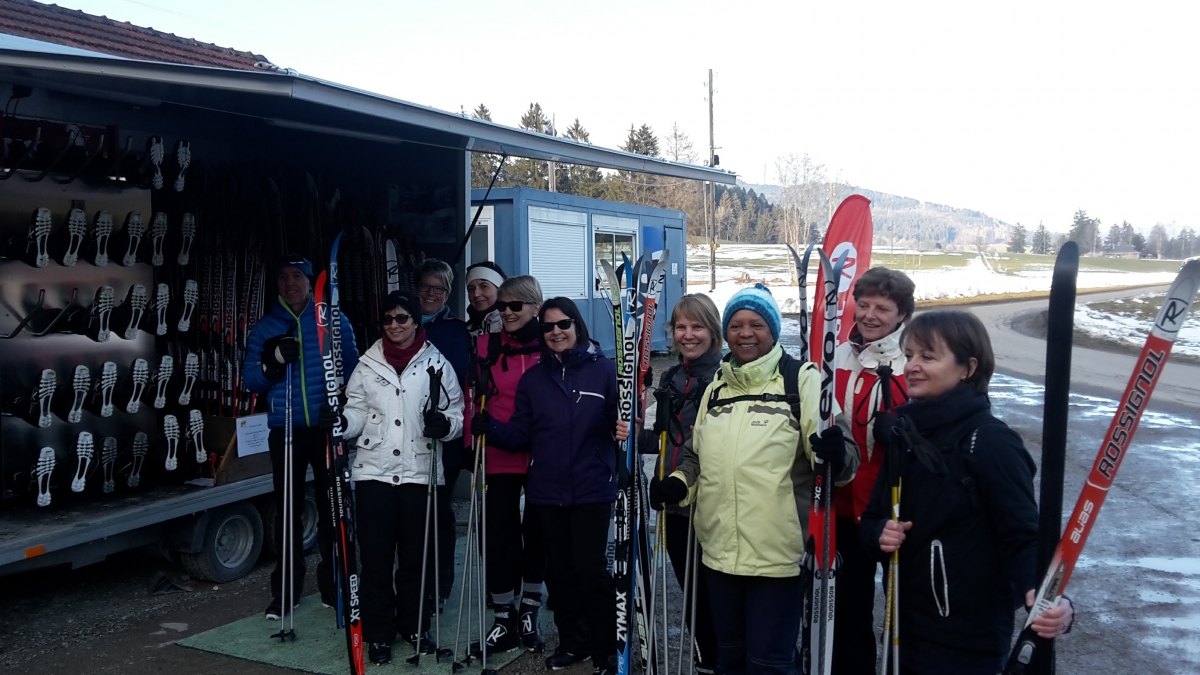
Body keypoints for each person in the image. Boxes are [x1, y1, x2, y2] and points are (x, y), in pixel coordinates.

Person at [650, 284, 858, 675]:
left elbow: (843, 461)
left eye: (756, 324)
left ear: (773, 330)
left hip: (776, 558)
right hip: (719, 553)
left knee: (768, 663)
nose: (745, 333)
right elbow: (696, 456)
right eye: (737, 325)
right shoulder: (717, 388)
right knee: (729, 659)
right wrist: (678, 483)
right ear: (726, 332)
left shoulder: (802, 380)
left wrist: (836, 452)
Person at [860, 310, 1073, 675]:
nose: (912, 366)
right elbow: (871, 519)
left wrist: (1049, 597)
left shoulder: (990, 440)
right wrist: (880, 532)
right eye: (909, 355)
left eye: (928, 357)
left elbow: (1022, 535)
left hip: (967, 644)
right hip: (903, 633)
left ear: (968, 368)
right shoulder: (905, 435)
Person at [473, 297, 628, 675]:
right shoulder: (534, 379)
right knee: (559, 572)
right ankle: (574, 642)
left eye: (563, 324)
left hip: (591, 485)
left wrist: (627, 426)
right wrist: (491, 428)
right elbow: (522, 434)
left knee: (591, 570)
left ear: (577, 325)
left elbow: (621, 421)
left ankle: (608, 649)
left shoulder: (605, 371)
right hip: (547, 488)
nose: (556, 332)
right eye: (548, 327)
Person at [331, 290, 464, 665]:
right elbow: (356, 410)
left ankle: (415, 624)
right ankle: (377, 633)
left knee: (416, 558)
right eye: (388, 319)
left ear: (416, 322)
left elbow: (456, 413)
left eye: (402, 318)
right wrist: (342, 422)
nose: (394, 325)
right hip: (374, 472)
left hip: (419, 474)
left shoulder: (437, 364)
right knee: (375, 559)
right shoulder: (367, 363)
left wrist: (445, 425)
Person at [243, 254, 360, 620]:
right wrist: (273, 362)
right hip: (286, 430)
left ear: (311, 283)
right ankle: (286, 594)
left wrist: (341, 409)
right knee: (288, 513)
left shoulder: (334, 321)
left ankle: (334, 586)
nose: (290, 283)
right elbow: (251, 381)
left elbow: (355, 373)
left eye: (297, 276)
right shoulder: (266, 327)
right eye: (283, 277)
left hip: (326, 429)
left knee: (331, 510)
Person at [830, 267, 915, 675]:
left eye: (882, 308)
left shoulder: (912, 359)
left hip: (896, 510)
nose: (869, 315)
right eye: (863, 305)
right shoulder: (838, 355)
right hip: (845, 507)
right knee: (848, 611)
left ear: (902, 314)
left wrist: (905, 430)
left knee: (903, 614)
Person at [635, 294, 723, 675]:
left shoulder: (724, 378)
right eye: (681, 327)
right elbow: (664, 438)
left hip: (708, 503)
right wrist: (629, 435)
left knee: (715, 591)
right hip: (671, 502)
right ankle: (707, 660)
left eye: (697, 326)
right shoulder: (672, 377)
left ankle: (724, 659)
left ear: (713, 332)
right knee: (691, 592)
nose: (688, 335)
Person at [464, 275, 549, 655]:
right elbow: (470, 397)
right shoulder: (487, 345)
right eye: (502, 306)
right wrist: (470, 442)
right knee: (498, 535)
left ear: (535, 307)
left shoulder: (551, 342)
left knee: (538, 531)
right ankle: (503, 616)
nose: (507, 313)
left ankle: (529, 609)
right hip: (498, 448)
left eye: (516, 306)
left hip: (542, 451)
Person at [416, 258, 471, 608]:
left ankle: (440, 585)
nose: (431, 294)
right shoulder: (401, 322)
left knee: (438, 511)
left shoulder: (456, 331)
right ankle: (414, 581)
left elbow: (461, 382)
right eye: (425, 287)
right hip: (406, 437)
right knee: (412, 514)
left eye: (438, 289)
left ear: (448, 294)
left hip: (443, 436)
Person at [465, 261, 508, 336]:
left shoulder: (513, 327)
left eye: (483, 286)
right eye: (471, 289)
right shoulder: (463, 332)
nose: (476, 294)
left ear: (499, 289)